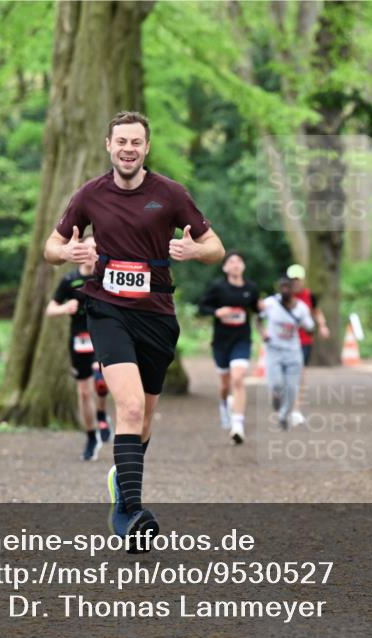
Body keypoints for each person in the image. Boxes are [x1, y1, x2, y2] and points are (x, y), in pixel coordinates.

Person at [44, 111, 225, 543]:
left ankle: (119, 481)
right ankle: (130, 515)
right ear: (109, 145)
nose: (128, 149)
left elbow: (215, 246)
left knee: (142, 419)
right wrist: (65, 254)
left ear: (146, 148)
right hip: (106, 309)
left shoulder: (171, 194)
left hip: (158, 314)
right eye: (121, 141)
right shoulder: (90, 195)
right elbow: (51, 245)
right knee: (127, 409)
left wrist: (193, 252)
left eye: (136, 143)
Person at [44, 236, 112, 461]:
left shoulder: (107, 276)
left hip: (103, 336)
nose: (92, 251)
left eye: (96, 247)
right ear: (79, 250)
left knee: (100, 380)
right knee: (83, 392)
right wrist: (65, 308)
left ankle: (102, 414)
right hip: (79, 338)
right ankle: (91, 436)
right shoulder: (70, 280)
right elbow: (50, 309)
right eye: (87, 247)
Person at [197, 251, 262, 444]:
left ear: (243, 266)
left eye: (239, 261)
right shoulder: (218, 287)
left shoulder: (251, 288)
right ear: (225, 267)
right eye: (231, 262)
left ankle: (238, 425)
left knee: (238, 378)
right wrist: (217, 311)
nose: (235, 265)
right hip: (221, 343)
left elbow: (257, 311)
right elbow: (202, 307)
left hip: (242, 340)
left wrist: (263, 327)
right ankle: (224, 404)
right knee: (225, 385)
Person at [260, 275, 315, 431]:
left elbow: (310, 328)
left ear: (293, 290)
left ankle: (284, 416)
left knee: (292, 389)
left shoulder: (301, 308)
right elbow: (258, 318)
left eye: (287, 287)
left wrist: (311, 329)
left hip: (293, 352)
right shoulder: (270, 303)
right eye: (281, 287)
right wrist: (263, 332)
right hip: (274, 350)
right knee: (277, 384)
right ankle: (276, 396)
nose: (284, 290)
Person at [284, 263, 329, 426]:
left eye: (298, 279)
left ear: (302, 280)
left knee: (300, 374)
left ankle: (295, 410)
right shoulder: (284, 296)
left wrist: (322, 326)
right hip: (286, 342)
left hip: (304, 341)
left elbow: (317, 312)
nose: (295, 282)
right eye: (293, 279)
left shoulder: (309, 296)